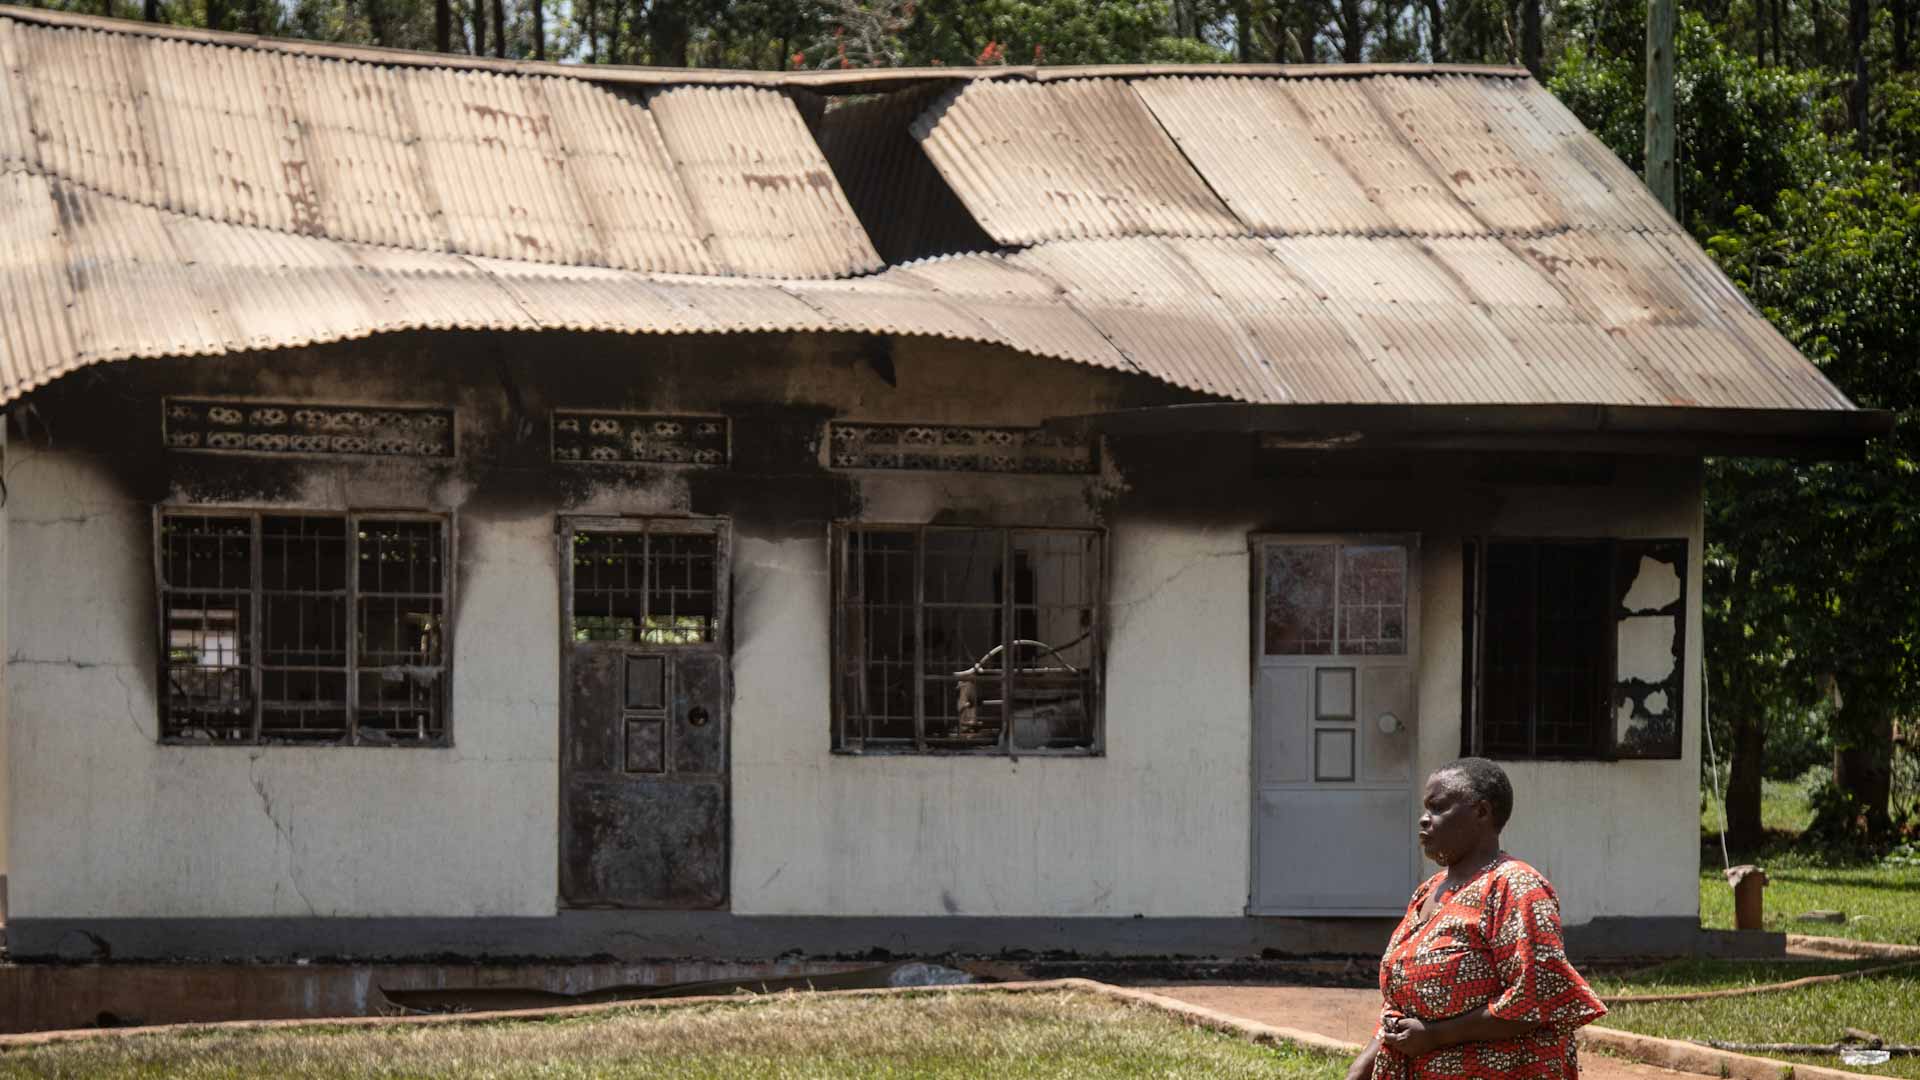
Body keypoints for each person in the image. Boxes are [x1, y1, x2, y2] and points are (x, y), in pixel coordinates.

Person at [1346, 758, 1608, 1080]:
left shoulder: (1515, 887)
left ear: (1481, 812)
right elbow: (1401, 1001)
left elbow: (1536, 996)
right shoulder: (1428, 892)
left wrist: (1436, 1034)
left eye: (1438, 808)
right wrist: (1362, 1067)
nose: (1425, 820)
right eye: (1425, 809)